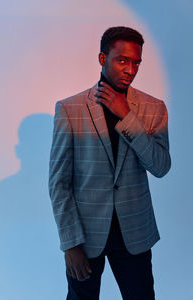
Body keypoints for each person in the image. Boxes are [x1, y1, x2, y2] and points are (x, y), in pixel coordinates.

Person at [48, 26, 171, 300]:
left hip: (135, 234)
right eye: (122, 60)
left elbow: (161, 167)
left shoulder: (154, 108)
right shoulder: (70, 109)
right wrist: (70, 244)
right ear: (103, 59)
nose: (130, 69)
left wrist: (126, 115)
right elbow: (59, 183)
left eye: (136, 62)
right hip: (85, 236)